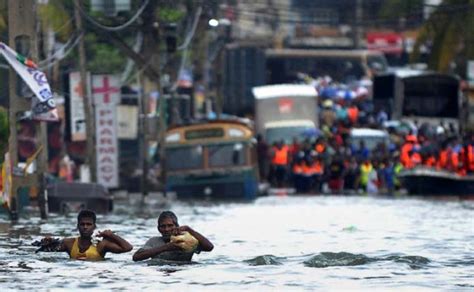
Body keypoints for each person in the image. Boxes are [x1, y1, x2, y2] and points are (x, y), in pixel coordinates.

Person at [34, 209, 133, 260]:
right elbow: (43, 250)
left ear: (94, 226)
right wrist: (47, 242)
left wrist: (111, 235)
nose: (85, 227)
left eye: (89, 224)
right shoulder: (68, 243)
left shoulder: (101, 245)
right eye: (82, 224)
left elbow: (128, 248)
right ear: (78, 226)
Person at [132, 211, 213, 262]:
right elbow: (136, 257)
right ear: (158, 229)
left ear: (177, 226)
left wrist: (189, 230)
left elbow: (209, 247)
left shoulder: (186, 240)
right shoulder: (154, 241)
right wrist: (166, 247)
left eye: (170, 225)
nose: (166, 229)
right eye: (163, 226)